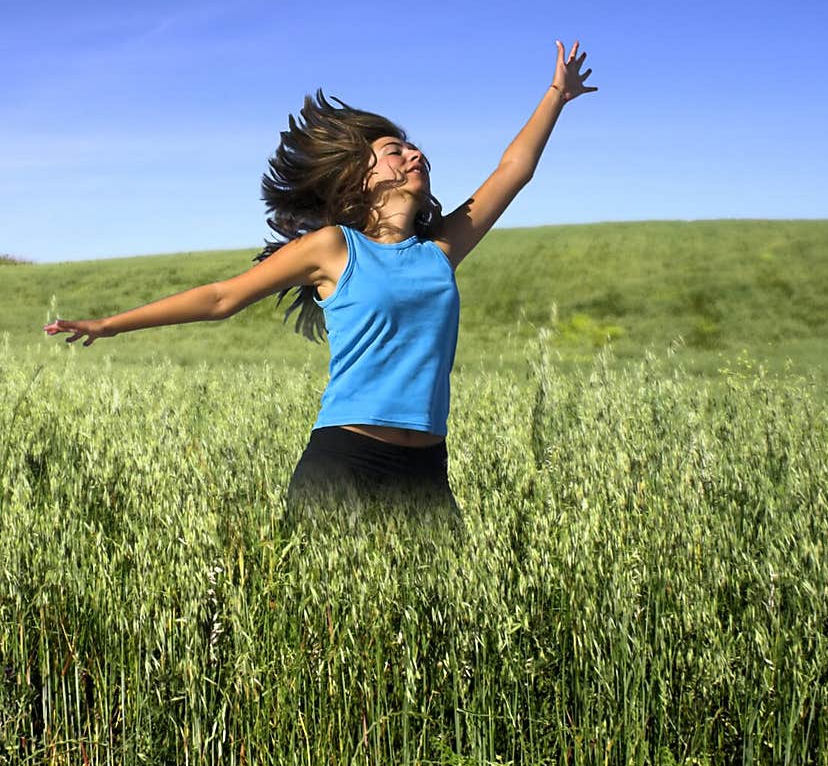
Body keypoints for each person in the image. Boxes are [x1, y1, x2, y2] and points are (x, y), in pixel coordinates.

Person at [43, 40, 597, 519]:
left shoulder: (440, 252)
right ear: (360, 178)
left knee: (445, 634)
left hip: (426, 468)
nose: (415, 155)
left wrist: (557, 96)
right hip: (343, 463)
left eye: (415, 148)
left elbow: (512, 172)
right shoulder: (334, 248)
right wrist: (110, 324)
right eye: (395, 151)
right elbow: (221, 298)